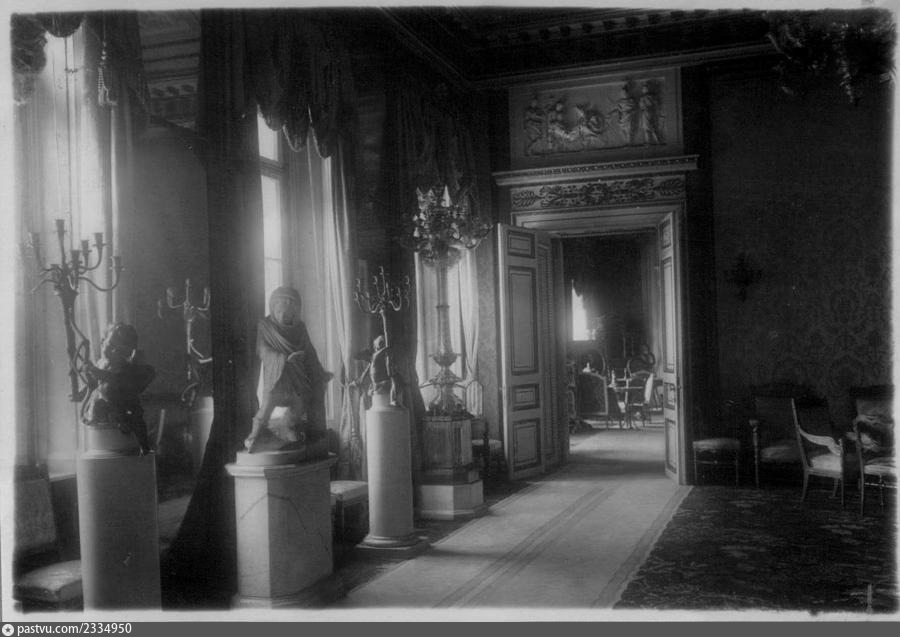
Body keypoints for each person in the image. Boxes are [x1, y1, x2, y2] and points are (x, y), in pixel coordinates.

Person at [245, 286, 333, 453]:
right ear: (274, 306)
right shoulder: (265, 326)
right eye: (282, 305)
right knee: (267, 407)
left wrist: (321, 372)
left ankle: (287, 428)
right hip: (276, 378)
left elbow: (310, 352)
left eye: (291, 306)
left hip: (297, 378)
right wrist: (284, 359)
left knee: (300, 404)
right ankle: (253, 438)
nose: (287, 311)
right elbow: (262, 350)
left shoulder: (300, 328)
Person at [82, 322, 155, 455]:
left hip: (124, 401)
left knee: (136, 418)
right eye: (110, 345)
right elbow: (94, 384)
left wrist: (100, 373)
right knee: (95, 407)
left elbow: (118, 379)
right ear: (103, 342)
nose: (114, 351)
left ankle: (144, 445)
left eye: (120, 350)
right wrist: (84, 389)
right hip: (106, 400)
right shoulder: (101, 363)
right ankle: (100, 437)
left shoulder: (124, 366)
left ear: (128, 352)